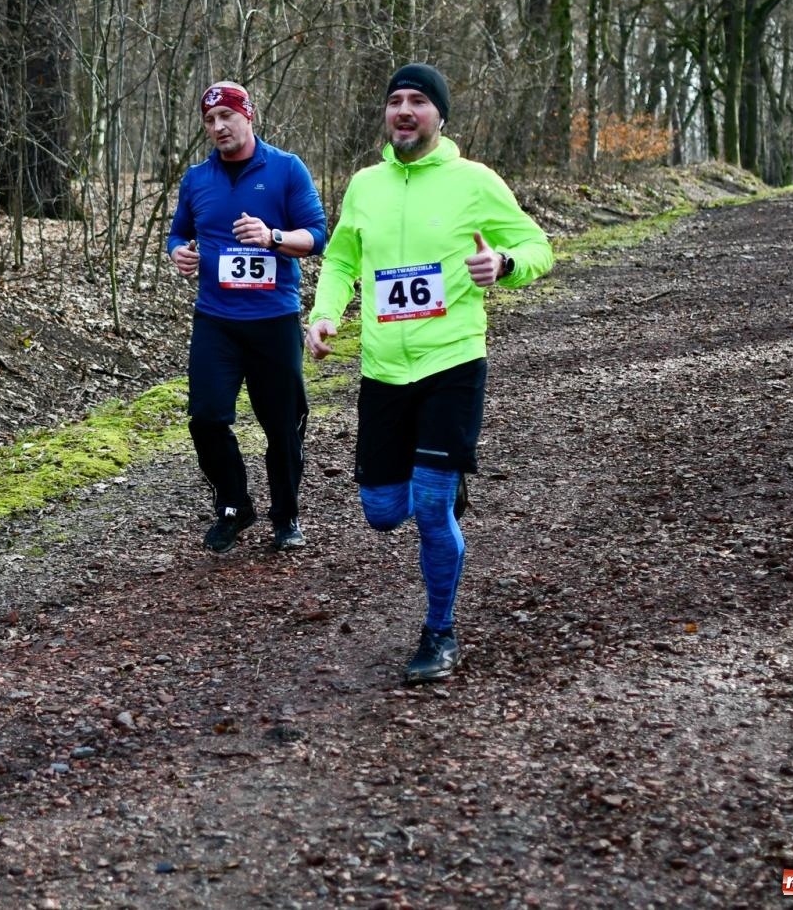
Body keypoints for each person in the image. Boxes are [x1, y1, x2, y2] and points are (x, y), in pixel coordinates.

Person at [305, 64, 552, 685]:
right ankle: (440, 482)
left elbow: (538, 247)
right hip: (384, 370)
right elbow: (341, 260)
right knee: (383, 511)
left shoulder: (474, 182)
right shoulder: (365, 185)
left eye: (418, 100)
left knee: (432, 504)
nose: (405, 110)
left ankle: (439, 632)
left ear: (440, 115)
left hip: (452, 362)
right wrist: (324, 314)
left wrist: (505, 263)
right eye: (395, 100)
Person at [167, 81, 328, 553]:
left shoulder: (286, 169)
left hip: (273, 318)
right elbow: (178, 233)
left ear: (248, 115)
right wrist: (179, 252)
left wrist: (273, 236)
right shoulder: (197, 178)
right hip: (216, 319)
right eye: (209, 121)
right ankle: (234, 506)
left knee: (282, 425)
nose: (219, 127)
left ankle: (286, 515)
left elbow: (317, 236)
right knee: (206, 418)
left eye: (227, 117)